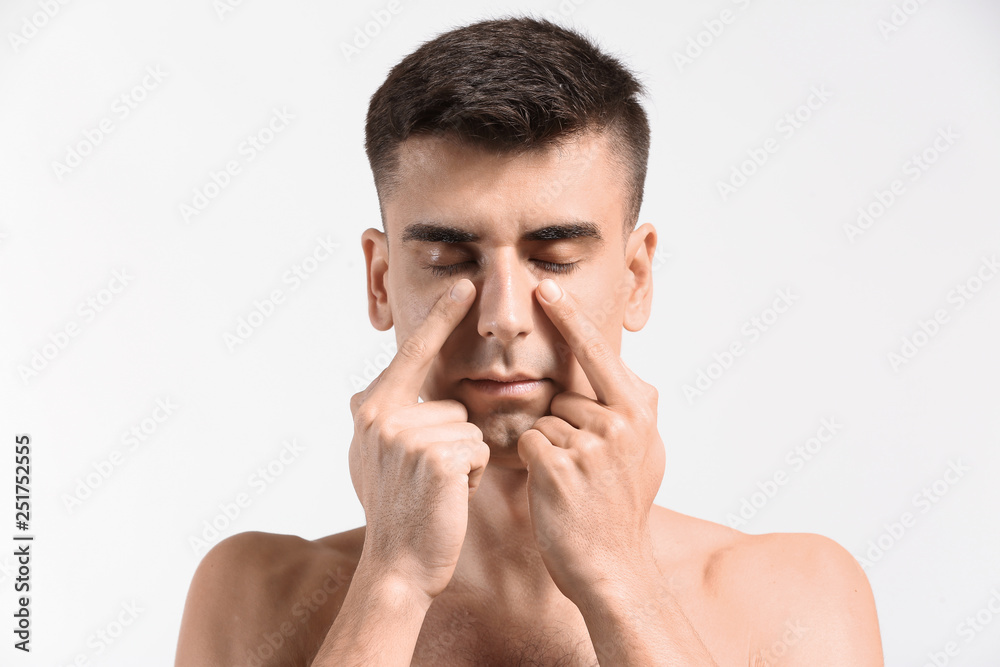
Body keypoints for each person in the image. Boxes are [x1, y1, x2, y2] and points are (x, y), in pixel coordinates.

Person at [175, 16, 883, 666]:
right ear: (382, 282)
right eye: (450, 261)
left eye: (554, 257)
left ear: (635, 278)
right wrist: (392, 582)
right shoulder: (255, 591)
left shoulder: (795, 593)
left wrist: (619, 579)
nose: (502, 316)